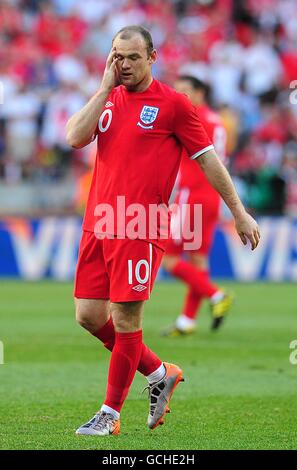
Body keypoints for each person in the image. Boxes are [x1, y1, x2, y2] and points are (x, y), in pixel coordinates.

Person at [66, 25, 260, 437]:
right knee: (87, 315)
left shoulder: (174, 105)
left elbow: (209, 160)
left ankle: (110, 413)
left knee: (125, 319)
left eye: (133, 57)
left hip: (140, 223)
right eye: (118, 57)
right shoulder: (109, 98)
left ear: (152, 57)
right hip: (99, 222)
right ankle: (159, 372)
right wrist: (103, 87)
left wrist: (239, 211)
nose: (125, 65)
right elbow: (73, 137)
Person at [162, 75, 233, 336]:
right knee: (197, 259)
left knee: (166, 257)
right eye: (177, 92)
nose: (181, 97)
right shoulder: (216, 119)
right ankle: (187, 321)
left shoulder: (193, 117)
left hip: (192, 195)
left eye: (185, 92)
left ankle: (216, 295)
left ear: (200, 92)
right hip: (211, 195)